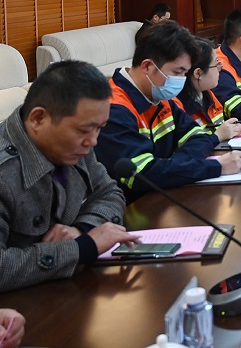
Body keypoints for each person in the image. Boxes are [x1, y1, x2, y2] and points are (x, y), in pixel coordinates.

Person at [0, 60, 138, 292]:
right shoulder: (4, 171)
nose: (93, 141)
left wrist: (82, 229)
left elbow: (110, 193)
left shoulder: (73, 144)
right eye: (84, 130)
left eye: (99, 128)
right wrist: (82, 248)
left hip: (66, 290)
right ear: (38, 119)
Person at [96, 20, 241, 202]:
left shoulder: (162, 96)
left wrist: (171, 169)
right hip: (133, 207)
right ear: (147, 66)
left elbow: (198, 137)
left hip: (167, 194)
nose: (182, 80)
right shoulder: (114, 109)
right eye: (177, 72)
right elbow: (143, 176)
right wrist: (215, 167)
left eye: (185, 73)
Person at [177, 37, 241, 139]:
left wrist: (233, 128)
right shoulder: (179, 106)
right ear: (198, 73)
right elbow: (195, 144)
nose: (221, 67)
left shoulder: (208, 94)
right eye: (216, 63)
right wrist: (218, 136)